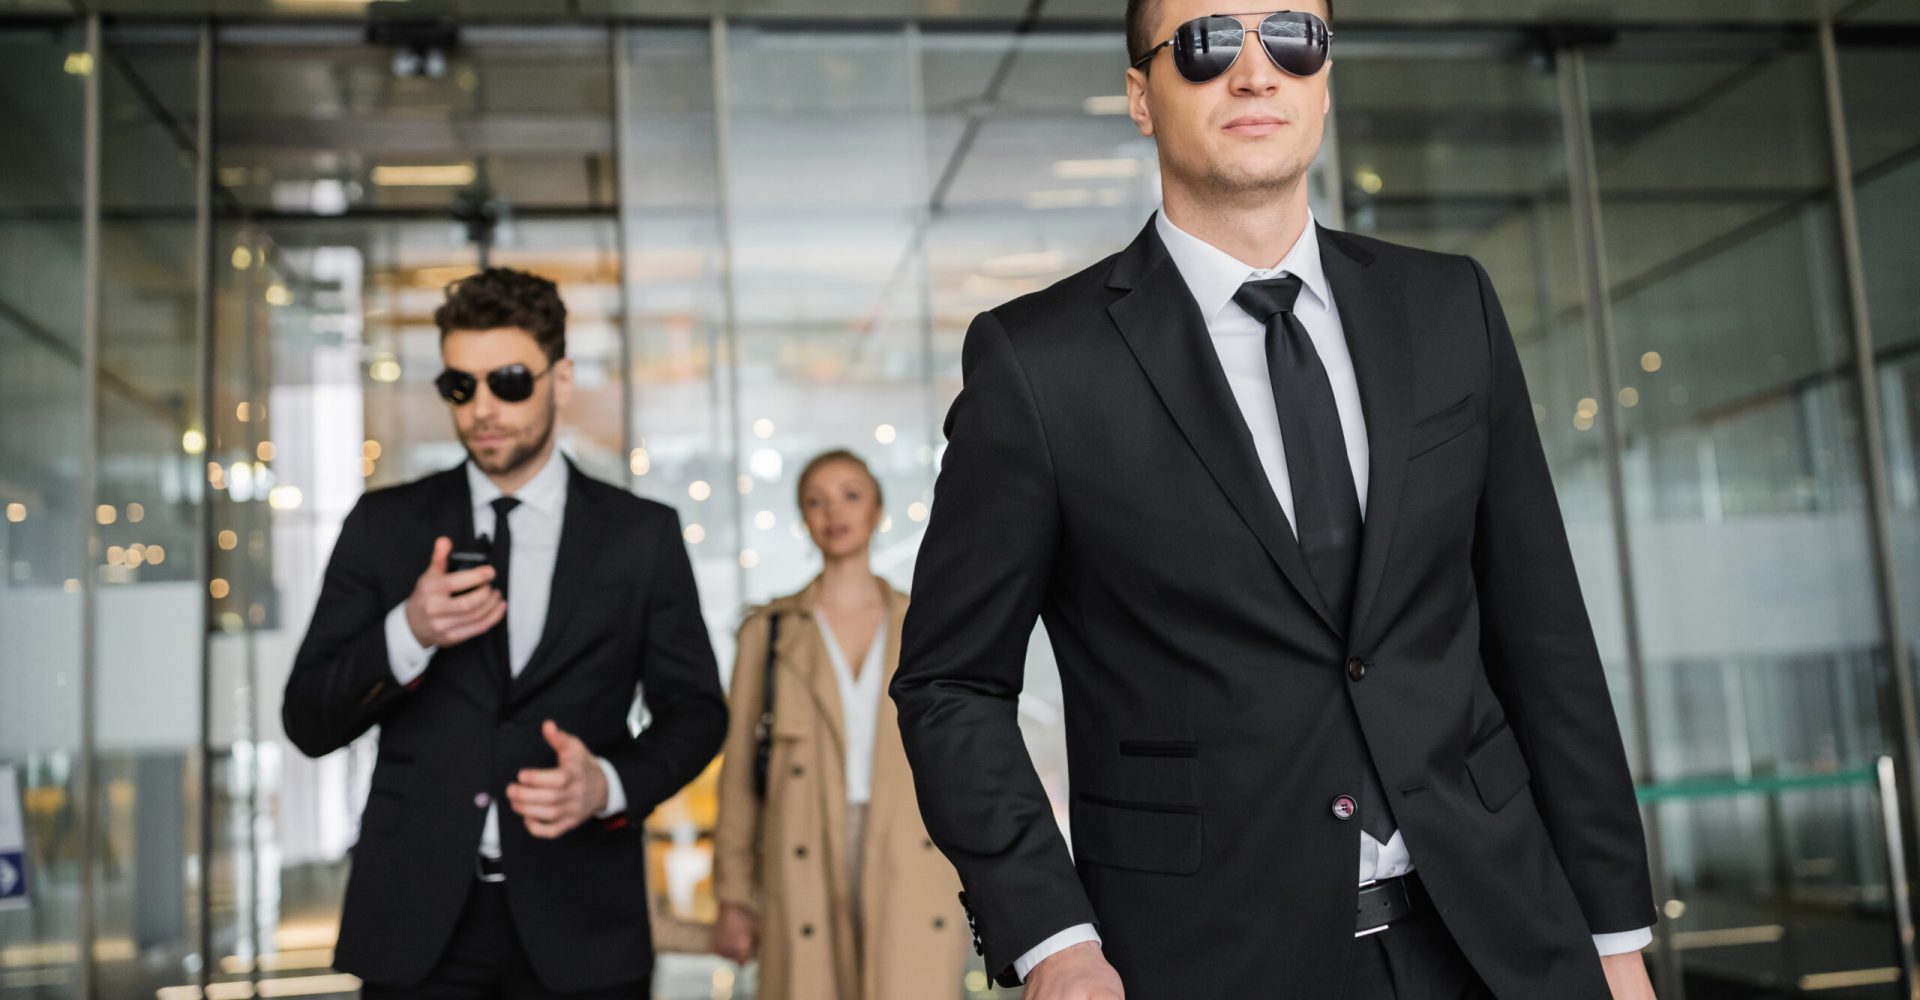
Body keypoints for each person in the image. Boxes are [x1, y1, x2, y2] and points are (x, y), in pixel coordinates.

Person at [888, 2, 1660, 998]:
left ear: (1324, 81)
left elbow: (1542, 634)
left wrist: (1616, 933)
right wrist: (1053, 936)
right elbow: (952, 684)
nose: (1256, 73)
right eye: (1209, 43)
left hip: (1503, 938)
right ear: (1139, 94)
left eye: (1293, 36)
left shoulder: (1448, 305)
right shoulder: (1039, 364)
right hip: (1208, 955)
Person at [281, 267, 728, 998]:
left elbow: (697, 712)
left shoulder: (639, 536)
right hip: (417, 926)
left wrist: (609, 784)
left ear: (562, 378)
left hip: (583, 921)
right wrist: (408, 631)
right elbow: (307, 719)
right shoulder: (386, 527)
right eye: (460, 386)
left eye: (509, 382)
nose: (482, 408)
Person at [709, 450, 969, 1000]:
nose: (835, 512)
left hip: (910, 848)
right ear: (803, 518)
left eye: (851, 494)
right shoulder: (770, 631)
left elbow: (964, 754)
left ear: (878, 509)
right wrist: (732, 894)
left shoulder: (925, 622)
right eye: (816, 500)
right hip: (799, 844)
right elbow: (737, 773)